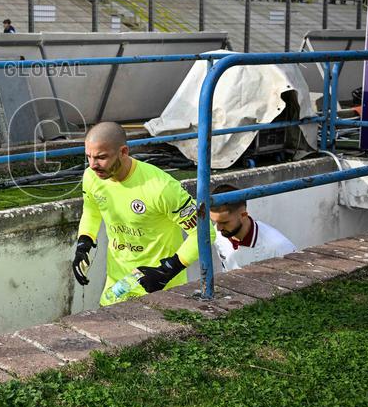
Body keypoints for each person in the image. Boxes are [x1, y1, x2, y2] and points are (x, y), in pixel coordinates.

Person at [71, 122, 216, 305]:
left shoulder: (161, 187)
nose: (93, 165)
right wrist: (83, 243)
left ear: (123, 152)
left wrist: (167, 270)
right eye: (89, 157)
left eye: (101, 157)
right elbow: (92, 211)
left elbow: (205, 231)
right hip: (116, 286)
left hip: (160, 288)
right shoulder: (91, 177)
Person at [208, 184, 296, 271]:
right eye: (215, 222)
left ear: (244, 215)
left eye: (224, 222)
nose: (218, 228)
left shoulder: (279, 248)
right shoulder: (218, 234)